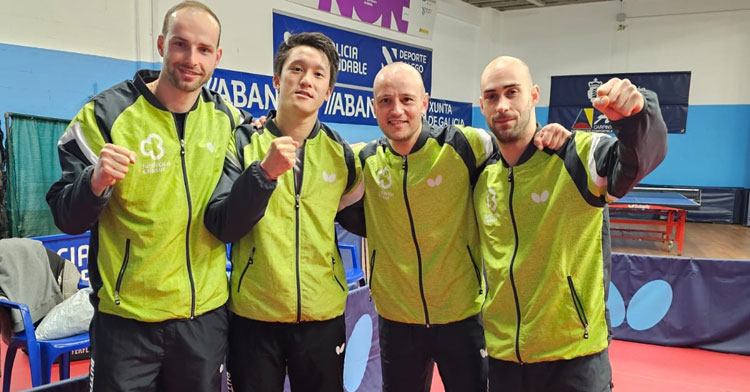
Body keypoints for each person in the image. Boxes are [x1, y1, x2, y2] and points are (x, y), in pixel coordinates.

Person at [336, 62, 570, 392]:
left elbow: (516, 143)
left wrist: (549, 132)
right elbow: (316, 158)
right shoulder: (364, 160)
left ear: (424, 103)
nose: (397, 110)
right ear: (374, 107)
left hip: (462, 317)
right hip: (397, 321)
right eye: (386, 101)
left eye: (406, 99)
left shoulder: (464, 144)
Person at [45, 2, 243, 390]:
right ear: (161, 44)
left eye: (204, 49)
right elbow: (65, 214)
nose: (191, 58)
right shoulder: (104, 114)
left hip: (202, 319)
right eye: (180, 44)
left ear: (217, 57)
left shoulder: (227, 119)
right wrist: (95, 182)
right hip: (126, 324)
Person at [473, 56, 668, 392]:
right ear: (481, 104)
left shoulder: (577, 155)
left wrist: (638, 116)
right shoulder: (479, 175)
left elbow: (636, 163)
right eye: (492, 96)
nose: (502, 105)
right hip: (503, 357)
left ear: (534, 95)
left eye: (512, 92)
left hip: (574, 359)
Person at [204, 32, 361, 392]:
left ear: (329, 92)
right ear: (277, 79)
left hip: (323, 318)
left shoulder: (343, 155)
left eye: (319, 75)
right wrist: (263, 174)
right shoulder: (244, 141)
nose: (307, 80)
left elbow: (359, 213)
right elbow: (223, 224)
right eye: (297, 69)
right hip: (255, 318)